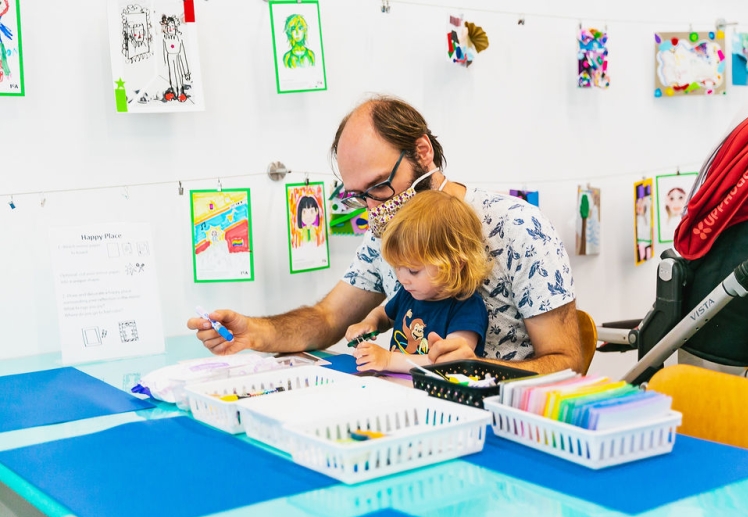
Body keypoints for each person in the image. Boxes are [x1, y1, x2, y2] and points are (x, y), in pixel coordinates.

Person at [187, 95, 582, 374]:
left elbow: (568, 363)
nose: (374, 208)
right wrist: (255, 332)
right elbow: (329, 318)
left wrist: (476, 369)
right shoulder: (389, 231)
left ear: (422, 152)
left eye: (379, 186)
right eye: (359, 195)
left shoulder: (517, 227)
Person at [346, 190, 491, 373]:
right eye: (397, 267)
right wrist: (370, 322)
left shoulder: (467, 307)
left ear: (455, 265)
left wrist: (388, 359)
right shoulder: (410, 293)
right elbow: (385, 315)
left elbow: (451, 362)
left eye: (413, 271)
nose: (402, 279)